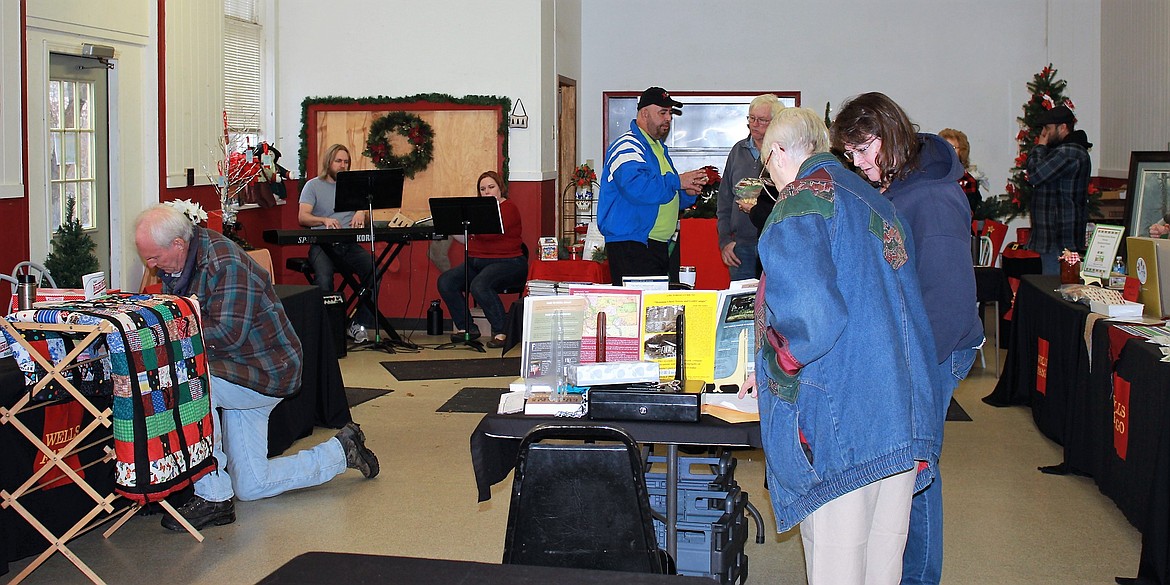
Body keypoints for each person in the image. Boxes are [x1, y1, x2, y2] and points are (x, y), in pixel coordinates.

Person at [745, 107, 939, 584]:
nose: (770, 177)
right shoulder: (877, 201)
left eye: (767, 164)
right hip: (901, 416)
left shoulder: (800, 203)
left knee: (838, 567)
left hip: (841, 418)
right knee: (881, 567)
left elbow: (813, 317)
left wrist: (777, 362)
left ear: (782, 152)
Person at [134, 204, 379, 531]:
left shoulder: (225, 264)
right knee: (251, 486)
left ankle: (214, 496)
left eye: (153, 258)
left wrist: (167, 331)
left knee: (189, 383)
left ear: (178, 244)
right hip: (235, 369)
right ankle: (341, 450)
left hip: (267, 372)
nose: (151, 267)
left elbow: (228, 334)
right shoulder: (180, 265)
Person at [832, 92, 984, 585]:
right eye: (850, 155)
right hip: (909, 345)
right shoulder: (901, 181)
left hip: (931, 350)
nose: (858, 164)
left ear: (889, 133)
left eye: (861, 150)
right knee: (907, 465)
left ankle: (919, 577)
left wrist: (908, 368)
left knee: (915, 469)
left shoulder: (933, 197)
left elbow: (948, 302)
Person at [597, 86, 708, 285]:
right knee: (636, 310)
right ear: (644, 113)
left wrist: (686, 193)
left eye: (671, 113)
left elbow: (663, 195)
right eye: (663, 112)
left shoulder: (657, 148)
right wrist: (678, 181)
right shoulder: (627, 146)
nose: (668, 118)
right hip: (631, 244)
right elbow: (638, 188)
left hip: (653, 245)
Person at [298, 143, 379, 343]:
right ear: (329, 162)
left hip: (349, 245)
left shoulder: (354, 185)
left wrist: (361, 212)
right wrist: (323, 220)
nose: (343, 165)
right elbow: (303, 217)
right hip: (323, 245)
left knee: (374, 271)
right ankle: (328, 330)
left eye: (346, 162)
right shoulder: (313, 185)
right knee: (324, 280)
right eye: (338, 161)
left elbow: (366, 212)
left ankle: (357, 323)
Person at [436, 171, 527, 348]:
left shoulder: (509, 208)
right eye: (482, 189)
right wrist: (452, 224)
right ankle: (467, 328)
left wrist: (469, 225)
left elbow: (490, 232)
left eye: (491, 187)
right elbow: (469, 236)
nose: (487, 192)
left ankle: (502, 331)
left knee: (479, 285)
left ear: (500, 188)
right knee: (446, 281)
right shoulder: (476, 211)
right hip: (477, 262)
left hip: (508, 262)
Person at [716, 94, 786, 280]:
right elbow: (724, 201)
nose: (755, 124)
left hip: (775, 243)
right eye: (751, 118)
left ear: (775, 122)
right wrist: (725, 242)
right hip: (741, 247)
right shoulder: (737, 151)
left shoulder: (783, 154)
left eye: (762, 120)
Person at [1024, 104, 1093, 275]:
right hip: (1057, 235)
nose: (1044, 134)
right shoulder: (1064, 151)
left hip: (1058, 237)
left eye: (1048, 128)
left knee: (1054, 288)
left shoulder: (1068, 152)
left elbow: (1034, 174)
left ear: (1063, 127)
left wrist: (1039, 147)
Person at [938, 128, 985, 215]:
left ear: (961, 151)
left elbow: (968, 212)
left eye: (953, 147)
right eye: (945, 146)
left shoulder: (968, 181)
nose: (948, 151)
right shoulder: (932, 176)